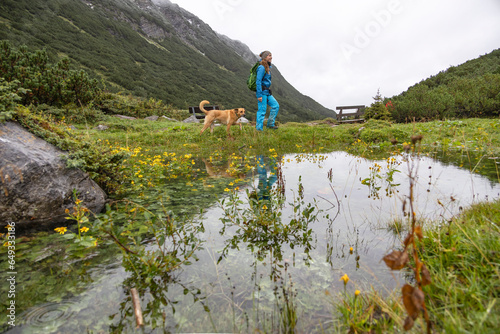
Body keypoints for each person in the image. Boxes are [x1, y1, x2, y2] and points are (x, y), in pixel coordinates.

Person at [255, 51, 280, 131]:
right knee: (262, 111)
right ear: (265, 57)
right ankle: (259, 130)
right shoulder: (261, 67)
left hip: (267, 92)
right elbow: (258, 81)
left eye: (271, 55)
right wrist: (259, 95)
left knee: (275, 106)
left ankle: (270, 124)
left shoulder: (267, 67)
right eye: (269, 55)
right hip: (262, 93)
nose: (271, 57)